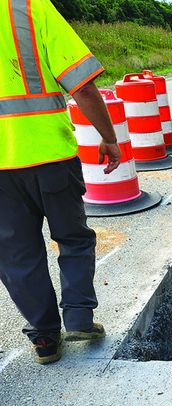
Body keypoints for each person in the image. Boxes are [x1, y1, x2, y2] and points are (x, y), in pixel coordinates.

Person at [0, 0, 121, 365]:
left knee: (18, 254)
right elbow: (82, 86)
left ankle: (44, 338)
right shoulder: (31, 8)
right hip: (52, 158)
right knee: (73, 238)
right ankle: (79, 317)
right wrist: (109, 137)